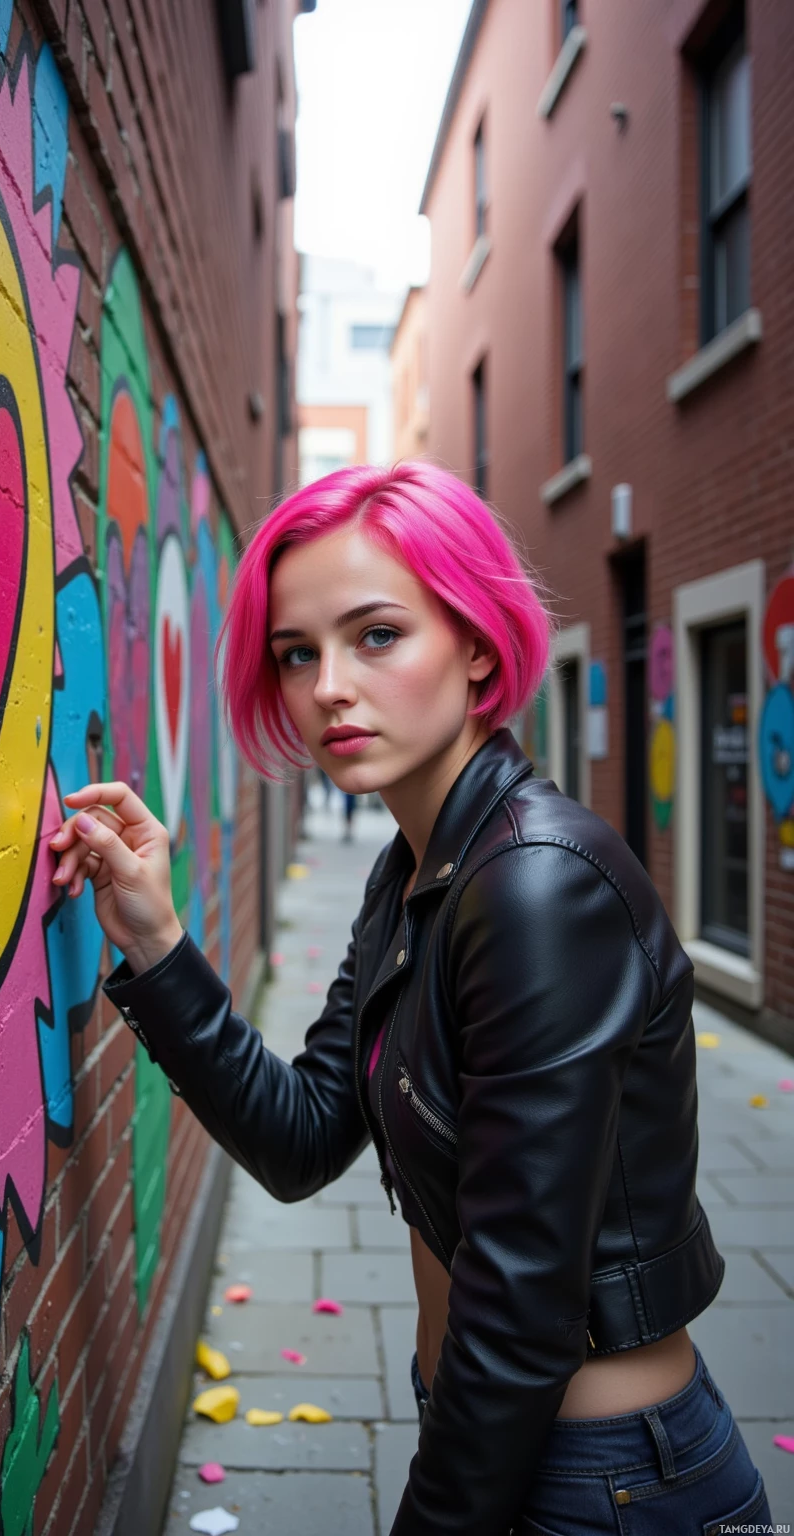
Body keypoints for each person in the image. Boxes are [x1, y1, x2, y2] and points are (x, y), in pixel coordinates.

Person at [50, 462, 770, 1534]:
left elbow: (525, 1314)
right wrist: (157, 943)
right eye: (299, 653)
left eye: (376, 635)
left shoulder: (535, 887)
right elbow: (305, 1137)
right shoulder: (418, 871)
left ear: (476, 644)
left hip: (602, 1481)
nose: (328, 684)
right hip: (504, 1440)